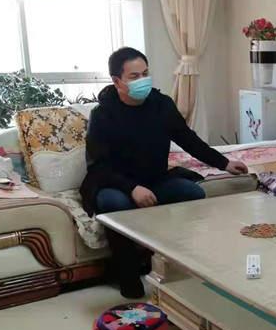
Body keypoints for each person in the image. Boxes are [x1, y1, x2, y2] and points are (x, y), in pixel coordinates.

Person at [80, 47, 248, 298]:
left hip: (154, 179)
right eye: (134, 76)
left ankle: (171, 261)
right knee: (115, 203)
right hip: (114, 183)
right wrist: (132, 189)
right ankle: (127, 273)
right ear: (117, 81)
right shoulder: (102, 114)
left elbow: (188, 139)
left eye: (145, 73)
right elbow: (98, 166)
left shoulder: (161, 104)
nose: (142, 80)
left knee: (192, 192)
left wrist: (224, 163)